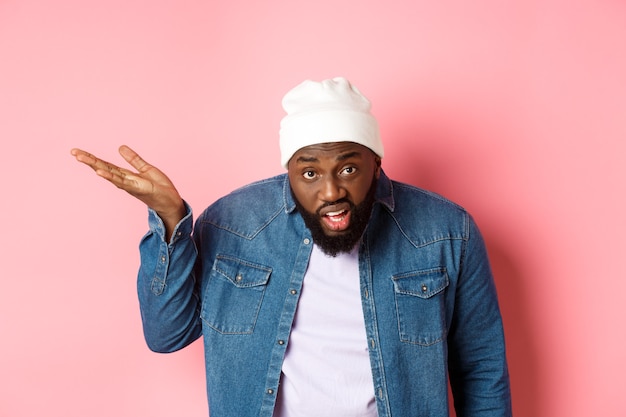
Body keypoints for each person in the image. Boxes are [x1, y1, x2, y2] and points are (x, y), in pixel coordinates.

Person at [71, 77, 512, 417]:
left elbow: (482, 369)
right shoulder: (234, 224)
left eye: (348, 168)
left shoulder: (446, 231)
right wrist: (170, 222)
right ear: (288, 171)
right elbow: (166, 335)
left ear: (376, 163)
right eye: (309, 173)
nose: (331, 191)